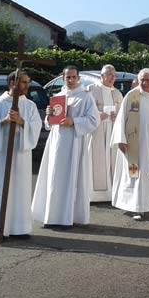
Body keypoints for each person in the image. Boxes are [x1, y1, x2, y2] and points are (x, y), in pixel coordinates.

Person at [32, 66, 100, 229]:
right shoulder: (58, 96)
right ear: (63, 78)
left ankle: (69, 217)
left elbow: (94, 120)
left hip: (74, 144)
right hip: (56, 143)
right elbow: (49, 125)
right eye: (67, 77)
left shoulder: (85, 97)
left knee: (71, 179)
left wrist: (74, 121)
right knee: (54, 178)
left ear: (78, 78)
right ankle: (52, 216)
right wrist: (49, 116)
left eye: (73, 77)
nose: (70, 80)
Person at [0, 71, 42, 239]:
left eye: (27, 82)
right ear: (12, 83)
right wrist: (4, 120)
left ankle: (20, 229)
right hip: (2, 155)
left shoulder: (30, 105)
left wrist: (22, 122)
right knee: (1, 188)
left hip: (21, 154)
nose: (27, 86)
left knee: (21, 189)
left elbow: (36, 126)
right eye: (24, 82)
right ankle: (0, 228)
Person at [110, 69, 149, 220]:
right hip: (134, 143)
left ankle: (144, 204)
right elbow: (121, 118)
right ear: (138, 80)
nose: (145, 83)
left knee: (146, 174)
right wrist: (120, 139)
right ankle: (136, 207)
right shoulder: (132, 95)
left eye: (148, 80)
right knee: (135, 174)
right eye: (143, 80)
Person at [87, 65, 123, 202]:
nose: (112, 78)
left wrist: (116, 117)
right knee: (95, 161)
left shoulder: (117, 93)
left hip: (112, 131)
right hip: (96, 131)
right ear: (101, 76)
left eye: (114, 76)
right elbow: (85, 110)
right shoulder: (91, 90)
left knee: (111, 160)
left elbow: (122, 113)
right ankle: (94, 195)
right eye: (109, 75)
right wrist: (97, 115)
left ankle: (111, 193)